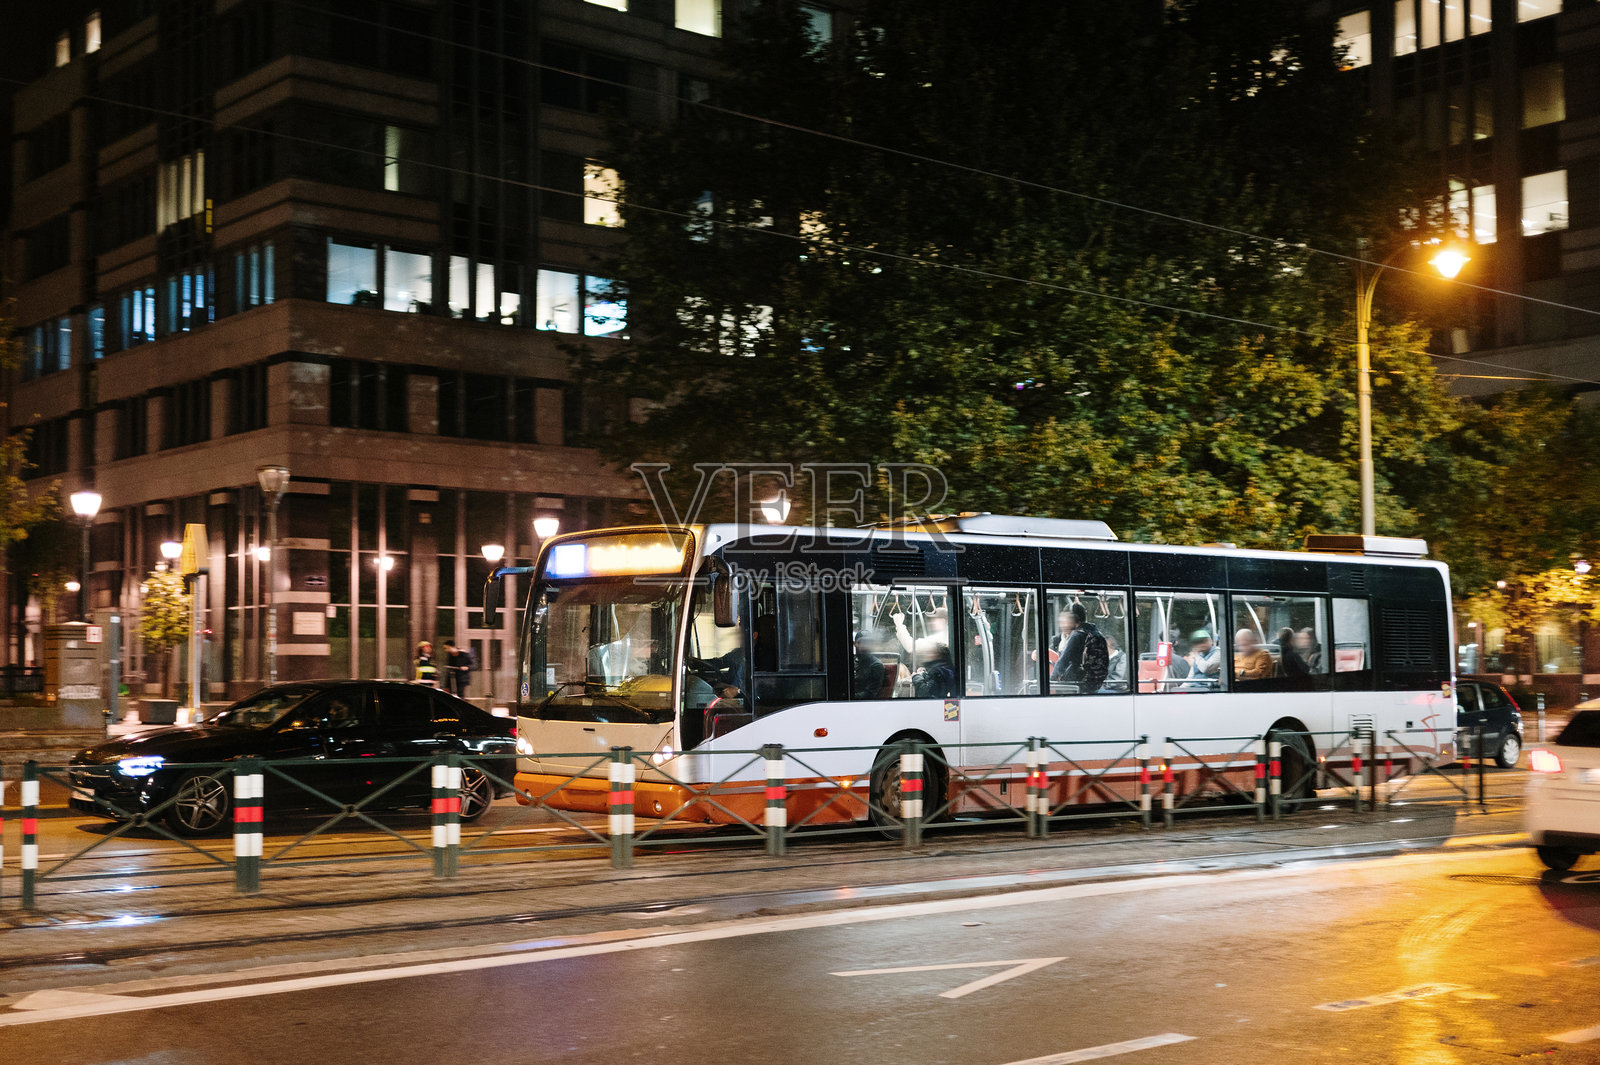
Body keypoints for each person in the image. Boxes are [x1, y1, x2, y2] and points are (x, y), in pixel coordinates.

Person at [852, 631, 887, 700]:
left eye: (869, 643)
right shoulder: (850, 660)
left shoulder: (876, 666)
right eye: (863, 643)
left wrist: (848, 697)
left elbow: (869, 694)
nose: (866, 646)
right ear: (855, 644)